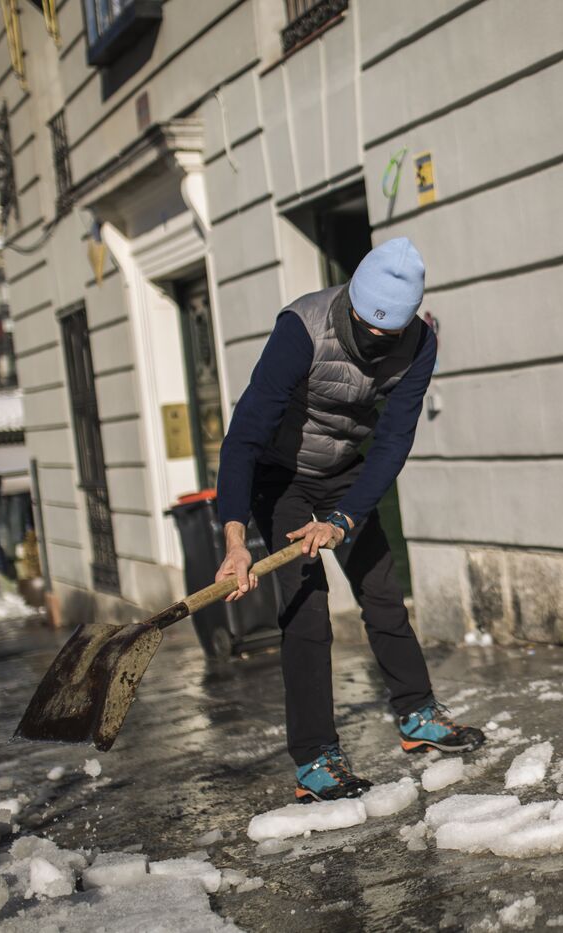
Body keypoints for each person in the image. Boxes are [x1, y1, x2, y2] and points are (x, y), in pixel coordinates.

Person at [215, 237, 484, 803]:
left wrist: (343, 517)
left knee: (383, 592)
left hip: (344, 472)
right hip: (280, 477)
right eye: (367, 331)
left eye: (389, 337)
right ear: (353, 306)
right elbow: (243, 436)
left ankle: (417, 716)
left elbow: (393, 439)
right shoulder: (302, 329)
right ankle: (315, 757)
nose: (375, 346)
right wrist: (236, 539)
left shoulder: (420, 342)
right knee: (306, 611)